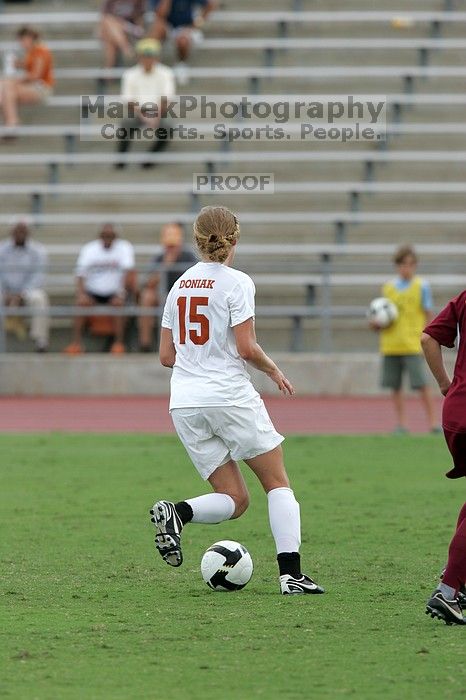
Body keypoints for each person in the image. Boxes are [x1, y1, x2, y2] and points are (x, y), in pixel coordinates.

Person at [150, 205, 324, 595]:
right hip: (228, 395)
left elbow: (165, 356)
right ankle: (291, 575)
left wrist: (198, 360)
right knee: (277, 482)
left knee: (235, 498)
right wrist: (274, 370)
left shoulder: (178, 285)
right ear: (235, 239)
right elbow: (246, 347)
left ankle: (178, 513)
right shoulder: (237, 282)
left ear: (196, 241)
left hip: (185, 403)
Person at [421, 292, 466, 625]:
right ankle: (448, 589)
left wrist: (444, 384)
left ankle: (458, 579)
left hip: (456, 410)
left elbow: (428, 338)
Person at [370, 245, 439, 433]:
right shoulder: (388, 288)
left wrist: (428, 339)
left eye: (410, 264)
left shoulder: (422, 286)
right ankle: (401, 424)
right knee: (395, 386)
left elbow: (427, 314)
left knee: (422, 385)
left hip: (412, 344)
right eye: (402, 264)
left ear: (415, 265)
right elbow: (382, 315)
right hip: (391, 345)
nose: (406, 268)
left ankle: (433, 423)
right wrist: (376, 324)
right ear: (397, 266)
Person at [64, 224, 136, 355]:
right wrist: (81, 294)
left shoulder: (124, 248)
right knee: (80, 304)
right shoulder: (89, 249)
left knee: (119, 304)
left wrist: (121, 293)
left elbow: (128, 273)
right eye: (105, 236)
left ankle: (118, 344)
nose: (107, 238)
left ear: (116, 237)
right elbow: (80, 275)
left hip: (115, 291)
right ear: (100, 236)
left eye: (110, 236)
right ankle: (76, 343)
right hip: (93, 291)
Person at [116, 38, 176, 168]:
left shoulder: (166, 73)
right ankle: (121, 158)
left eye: (151, 56)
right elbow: (128, 100)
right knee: (126, 124)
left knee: (168, 127)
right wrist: (143, 115)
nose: (148, 59)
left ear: (157, 57)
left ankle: (150, 159)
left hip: (160, 110)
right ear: (140, 57)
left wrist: (156, 116)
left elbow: (166, 99)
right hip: (138, 111)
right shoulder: (130, 74)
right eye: (145, 56)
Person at [138, 222, 197, 351]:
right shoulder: (159, 258)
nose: (171, 249)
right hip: (163, 295)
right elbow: (148, 284)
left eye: (173, 245)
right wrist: (165, 266)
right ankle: (145, 344)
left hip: (183, 296)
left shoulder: (189, 257)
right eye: (168, 246)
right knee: (147, 297)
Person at [0, 218, 49, 352]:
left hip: (28, 291)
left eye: (23, 231)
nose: (20, 233)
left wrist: (22, 294)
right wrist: (6, 293)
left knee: (40, 298)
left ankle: (40, 341)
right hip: (5, 291)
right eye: (18, 230)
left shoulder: (38, 250)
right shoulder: (2, 249)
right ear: (12, 232)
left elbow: (38, 276)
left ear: (28, 233)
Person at [149, 0, 218, 85]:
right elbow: (159, 16)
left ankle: (182, 64)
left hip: (187, 27)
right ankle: (151, 63)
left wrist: (196, 24)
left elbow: (211, 4)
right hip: (168, 26)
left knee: (183, 39)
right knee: (156, 31)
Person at [0, 26, 54, 135]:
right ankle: (11, 123)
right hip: (33, 87)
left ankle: (12, 122)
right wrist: (18, 64)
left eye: (22, 40)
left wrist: (14, 81)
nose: (21, 43)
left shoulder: (40, 50)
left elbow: (35, 75)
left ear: (29, 38)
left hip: (41, 88)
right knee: (5, 88)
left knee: (6, 87)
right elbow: (30, 66)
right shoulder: (32, 51)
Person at [100, 0, 146, 69]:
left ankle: (108, 75)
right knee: (110, 22)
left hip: (126, 32)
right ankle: (126, 48)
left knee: (111, 43)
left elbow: (139, 18)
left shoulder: (138, 1)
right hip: (110, 30)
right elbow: (105, 18)